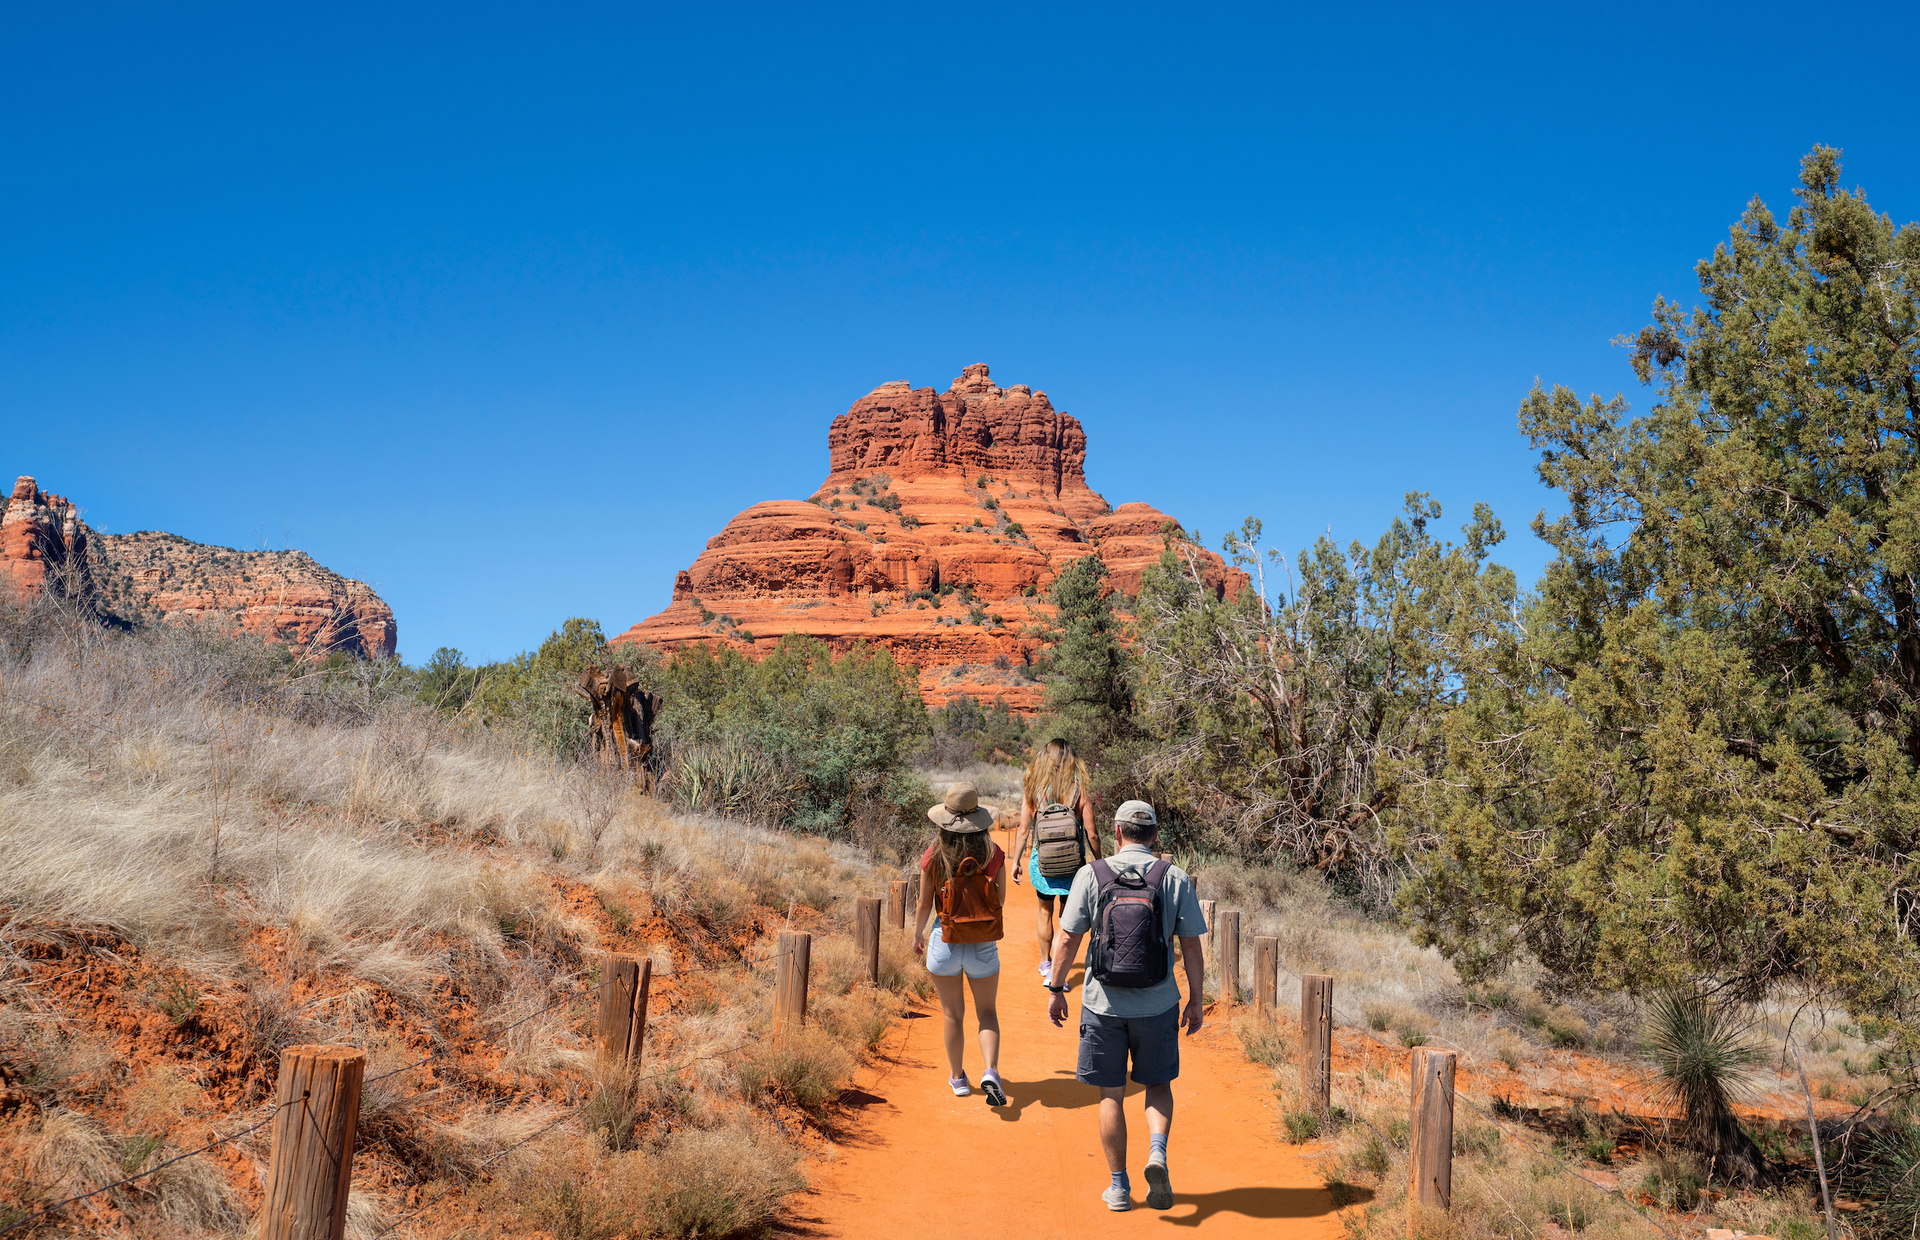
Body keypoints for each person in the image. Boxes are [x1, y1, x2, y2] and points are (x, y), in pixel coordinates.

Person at [1045, 800, 1206, 1212]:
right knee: (1158, 1085)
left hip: (1103, 1005)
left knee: (1111, 1095)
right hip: (1158, 1005)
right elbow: (1191, 945)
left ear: (1116, 833)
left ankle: (1118, 1187)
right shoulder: (1175, 878)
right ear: (1154, 836)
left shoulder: (1091, 874)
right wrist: (1195, 1001)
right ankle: (1157, 1152)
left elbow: (1066, 940)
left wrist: (1057, 987)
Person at [912, 781, 1010, 1106]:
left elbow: (925, 905)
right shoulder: (993, 854)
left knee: (953, 1015)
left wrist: (917, 936)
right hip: (983, 943)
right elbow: (1000, 900)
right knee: (987, 1012)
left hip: (945, 941)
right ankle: (991, 1071)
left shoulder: (933, 856)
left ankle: (958, 1079)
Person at [1012, 738, 1101, 987]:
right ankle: (1056, 974)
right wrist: (1099, 862)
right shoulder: (1079, 790)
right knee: (1066, 917)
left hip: (1043, 865)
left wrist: (1016, 861)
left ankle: (1045, 963)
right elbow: (1092, 834)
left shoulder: (1034, 791)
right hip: (1073, 866)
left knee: (1044, 912)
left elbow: (1022, 831)